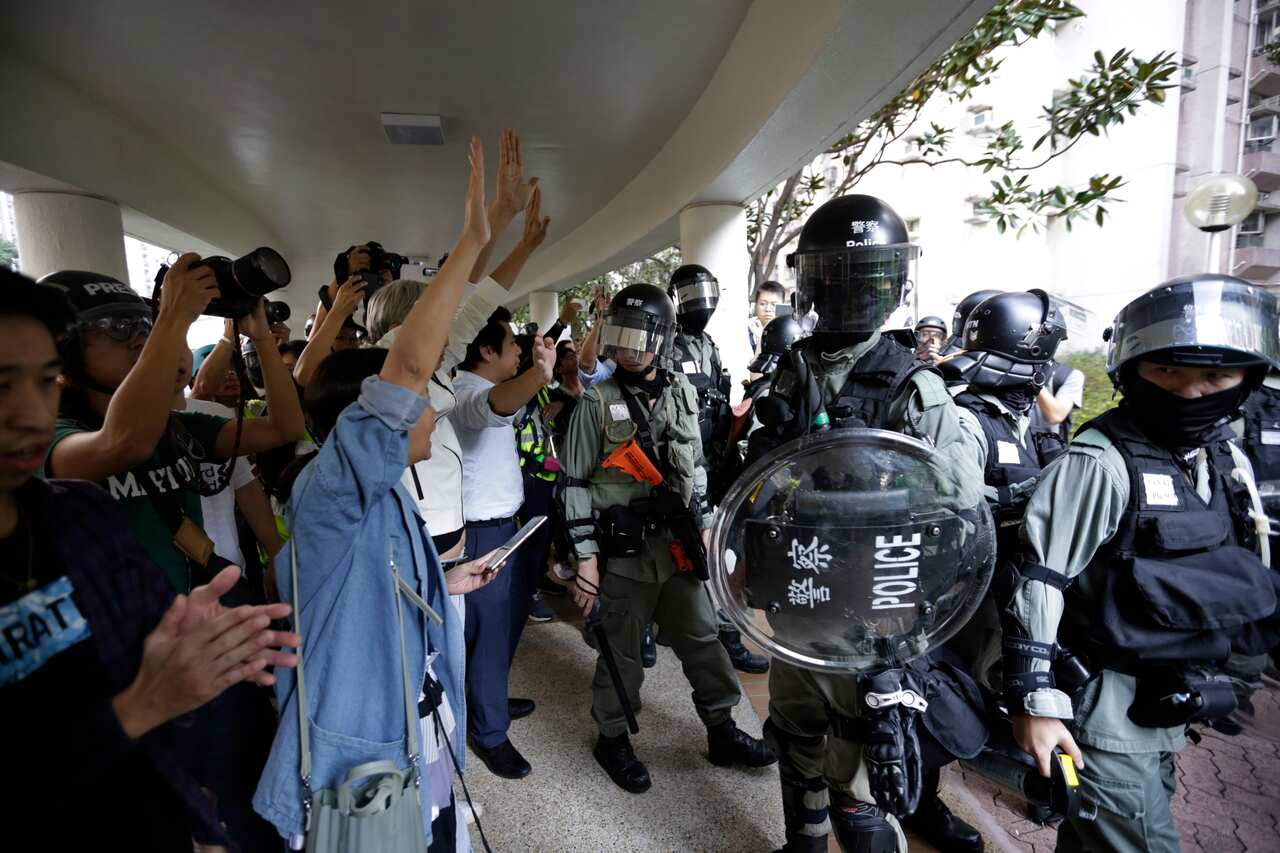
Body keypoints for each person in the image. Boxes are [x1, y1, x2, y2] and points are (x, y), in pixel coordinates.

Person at [254, 134, 504, 850]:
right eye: (418, 393)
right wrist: (472, 241)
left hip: (412, 730)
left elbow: (379, 582)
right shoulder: (333, 495)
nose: (429, 401)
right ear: (358, 430)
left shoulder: (385, 494)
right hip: (360, 762)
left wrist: (447, 579)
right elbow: (407, 367)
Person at [0, 268, 299, 849]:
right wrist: (172, 318)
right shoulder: (66, 440)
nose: (28, 412)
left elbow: (286, 426)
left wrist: (261, 338)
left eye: (38, 383)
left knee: (239, 797)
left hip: (179, 660)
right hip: (142, 698)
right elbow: (121, 444)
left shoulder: (80, 513)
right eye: (116, 330)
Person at [745, 194, 987, 853]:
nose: (848, 292)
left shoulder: (913, 385)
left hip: (872, 612)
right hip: (799, 598)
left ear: (893, 286)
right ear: (812, 282)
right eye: (835, 275)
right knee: (794, 732)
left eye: (867, 277)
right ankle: (804, 841)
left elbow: (959, 494)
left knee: (858, 773)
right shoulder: (793, 371)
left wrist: (872, 487)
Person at [1009, 273, 1280, 853]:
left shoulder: (1219, 455)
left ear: (1246, 379)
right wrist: (1036, 703)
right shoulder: (1099, 462)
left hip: (1166, 695)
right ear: (1132, 370)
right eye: (1169, 371)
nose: (1189, 392)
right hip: (1103, 705)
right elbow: (1039, 579)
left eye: (1215, 375)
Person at [562, 282, 776, 795]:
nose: (629, 348)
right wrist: (585, 561)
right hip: (624, 553)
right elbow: (573, 484)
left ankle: (721, 729)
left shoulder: (681, 390)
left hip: (677, 545)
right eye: (620, 335)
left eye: (640, 337)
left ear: (661, 340)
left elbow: (694, 467)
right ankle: (612, 736)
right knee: (622, 649)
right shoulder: (596, 402)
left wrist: (703, 524)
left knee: (704, 639)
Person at [452, 314, 556, 780]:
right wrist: (538, 374)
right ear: (487, 352)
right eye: (512, 345)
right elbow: (495, 406)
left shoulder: (476, 389)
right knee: (487, 634)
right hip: (478, 534)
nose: (518, 351)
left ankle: (487, 700)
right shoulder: (464, 391)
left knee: (498, 629)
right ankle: (490, 732)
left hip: (499, 527)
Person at [664, 263, 767, 674]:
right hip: (682, 467)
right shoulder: (665, 345)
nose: (701, 305)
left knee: (718, 552)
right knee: (683, 552)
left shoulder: (708, 344)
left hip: (716, 462)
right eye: (692, 295)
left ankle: (725, 635)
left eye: (706, 294)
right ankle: (677, 629)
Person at [1029, 360, 1085, 443]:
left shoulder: (1069, 375)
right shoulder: (1005, 367)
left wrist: (1034, 378)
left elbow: (1055, 416)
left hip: (1043, 449)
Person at [748, 280, 786, 356]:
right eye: (763, 304)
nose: (768, 309)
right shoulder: (747, 331)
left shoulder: (788, 331)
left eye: (774, 304)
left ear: (783, 306)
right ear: (756, 305)